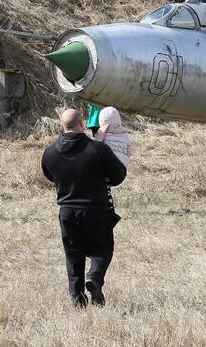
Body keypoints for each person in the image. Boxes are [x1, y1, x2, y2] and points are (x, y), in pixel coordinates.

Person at [41, 109, 127, 308]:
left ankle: (77, 300)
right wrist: (101, 146)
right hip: (96, 210)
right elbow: (118, 176)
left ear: (62, 126)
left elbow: (49, 174)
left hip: (67, 212)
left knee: (73, 254)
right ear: (82, 124)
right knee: (102, 249)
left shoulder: (50, 152)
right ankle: (94, 278)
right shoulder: (98, 150)